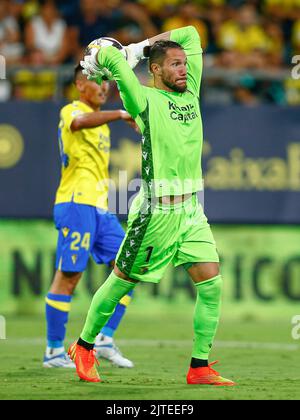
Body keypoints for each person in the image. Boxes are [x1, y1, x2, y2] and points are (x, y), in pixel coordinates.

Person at [69, 26, 235, 386]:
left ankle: (199, 367)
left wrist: (141, 48)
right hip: (156, 213)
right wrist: (111, 55)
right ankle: (83, 347)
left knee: (212, 284)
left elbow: (190, 34)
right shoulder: (142, 101)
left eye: (184, 64)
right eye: (174, 65)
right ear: (156, 71)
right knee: (122, 282)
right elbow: (108, 57)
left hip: (191, 211)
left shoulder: (190, 92)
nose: (184, 69)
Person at [43, 64, 137, 369]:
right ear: (81, 85)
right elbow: (79, 122)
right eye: (98, 81)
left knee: (129, 267)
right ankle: (54, 351)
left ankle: (104, 338)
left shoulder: (103, 125)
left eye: (108, 82)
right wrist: (123, 114)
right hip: (76, 204)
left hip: (100, 207)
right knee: (69, 277)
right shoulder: (71, 110)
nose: (105, 87)